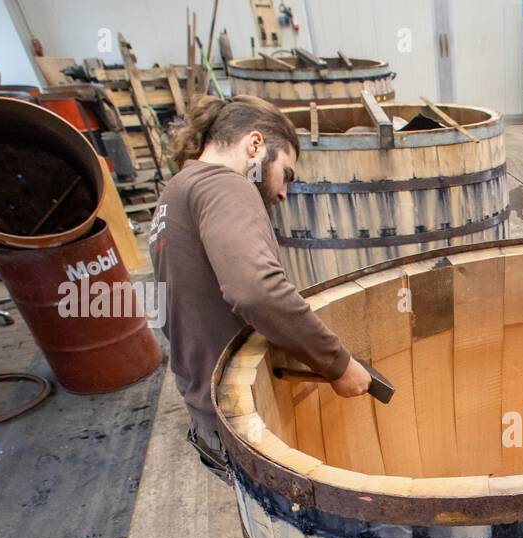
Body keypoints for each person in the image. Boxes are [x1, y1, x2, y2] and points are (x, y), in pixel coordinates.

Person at [150, 94, 370, 478]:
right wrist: (338, 365)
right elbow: (256, 290)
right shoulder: (225, 184)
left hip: (206, 412)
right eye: (286, 173)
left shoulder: (174, 193)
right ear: (255, 145)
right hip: (239, 420)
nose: (284, 193)